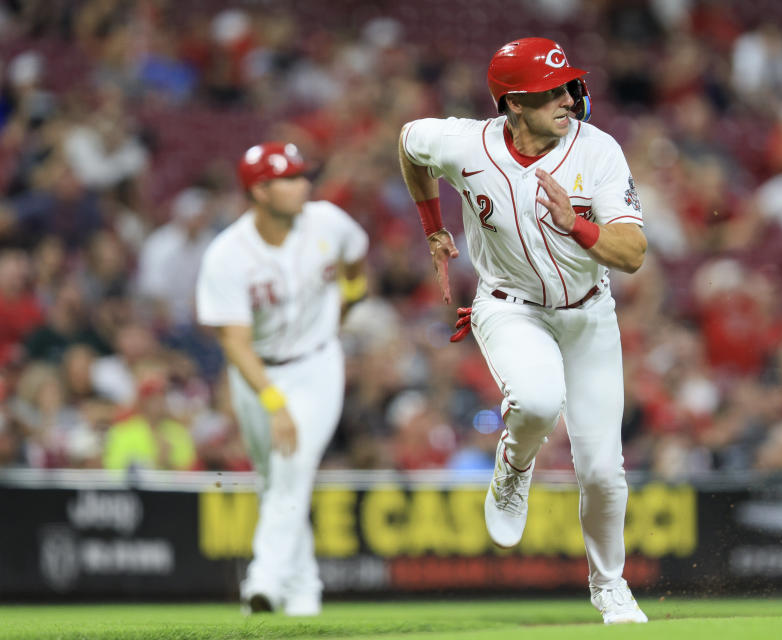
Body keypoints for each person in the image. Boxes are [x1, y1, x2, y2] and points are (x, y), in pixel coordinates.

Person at [398, 38, 649, 624]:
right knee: (535, 402)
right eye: (549, 92)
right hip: (509, 306)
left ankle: (610, 586)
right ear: (512, 103)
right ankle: (514, 467)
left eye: (567, 86)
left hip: (588, 312)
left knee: (602, 473)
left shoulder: (599, 150)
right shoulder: (465, 144)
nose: (566, 98)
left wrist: (578, 227)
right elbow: (409, 144)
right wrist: (432, 225)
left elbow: (633, 253)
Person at [196, 142, 368, 616]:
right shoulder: (228, 254)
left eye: (302, 175)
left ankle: (264, 583)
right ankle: (304, 591)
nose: (303, 184)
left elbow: (357, 261)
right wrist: (273, 403)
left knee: (292, 467)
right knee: (277, 479)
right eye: (289, 178)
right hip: (256, 371)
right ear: (260, 191)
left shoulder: (327, 222)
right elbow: (234, 341)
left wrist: (349, 299)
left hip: (317, 363)